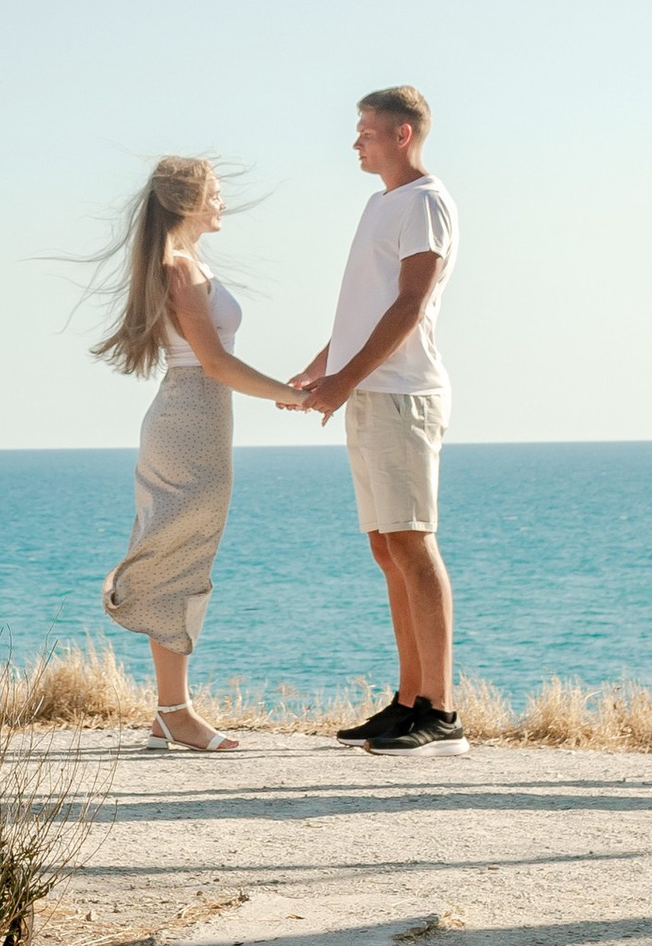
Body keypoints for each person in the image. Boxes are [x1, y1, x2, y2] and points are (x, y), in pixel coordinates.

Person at [98, 154, 299, 749]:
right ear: (188, 201)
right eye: (215, 192)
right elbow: (213, 361)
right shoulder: (178, 267)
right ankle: (173, 710)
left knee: (186, 553)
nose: (222, 202)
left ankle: (170, 710)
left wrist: (286, 392)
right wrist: (290, 395)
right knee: (179, 556)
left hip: (199, 418)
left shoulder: (188, 262)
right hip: (190, 419)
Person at [292, 86, 461, 751]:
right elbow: (364, 309)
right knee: (386, 546)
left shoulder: (426, 202)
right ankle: (408, 698)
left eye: (366, 129)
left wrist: (345, 381)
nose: (355, 140)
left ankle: (440, 714)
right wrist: (320, 370)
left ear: (402, 134)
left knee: (413, 542)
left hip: (403, 394)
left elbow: (410, 305)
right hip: (369, 392)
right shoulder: (379, 203)